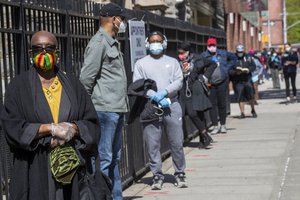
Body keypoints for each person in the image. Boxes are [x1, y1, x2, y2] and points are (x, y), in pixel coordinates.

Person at [1, 31, 100, 200]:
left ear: (57, 53)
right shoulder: (17, 87)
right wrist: (50, 129)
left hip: (70, 165)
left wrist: (73, 128)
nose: (44, 52)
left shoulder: (73, 84)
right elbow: (12, 127)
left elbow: (91, 122)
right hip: (34, 167)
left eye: (49, 48)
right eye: (38, 49)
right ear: (30, 53)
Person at [79, 3, 130, 200]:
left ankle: (116, 196)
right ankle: (100, 196)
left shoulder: (112, 41)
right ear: (113, 19)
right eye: (122, 19)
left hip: (116, 108)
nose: (122, 23)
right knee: (105, 159)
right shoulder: (99, 43)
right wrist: (87, 111)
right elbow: (86, 79)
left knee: (115, 158)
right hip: (104, 109)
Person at [133, 31, 187, 190]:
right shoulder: (141, 64)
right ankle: (157, 174)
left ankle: (179, 172)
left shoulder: (173, 62)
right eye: (152, 41)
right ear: (147, 44)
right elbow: (138, 85)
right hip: (150, 107)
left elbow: (179, 81)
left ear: (164, 43)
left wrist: (165, 92)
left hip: (172, 105)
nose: (155, 43)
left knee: (176, 142)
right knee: (153, 144)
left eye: (158, 41)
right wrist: (154, 96)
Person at [177, 42, 216, 148]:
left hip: (196, 89)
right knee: (191, 113)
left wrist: (204, 77)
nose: (180, 55)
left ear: (188, 52)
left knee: (199, 114)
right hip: (185, 90)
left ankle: (203, 140)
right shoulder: (177, 62)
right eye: (179, 53)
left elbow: (213, 64)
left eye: (182, 53)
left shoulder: (197, 59)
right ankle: (205, 134)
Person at [201, 37, 237, 134]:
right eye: (210, 45)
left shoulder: (223, 53)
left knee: (222, 104)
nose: (212, 47)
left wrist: (227, 68)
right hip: (211, 84)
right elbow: (199, 66)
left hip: (222, 82)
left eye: (213, 45)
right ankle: (215, 125)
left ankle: (223, 125)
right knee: (212, 105)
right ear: (207, 46)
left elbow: (234, 58)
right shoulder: (204, 56)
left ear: (216, 45)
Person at [229, 43, 257, 118]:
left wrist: (248, 70)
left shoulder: (248, 57)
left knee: (251, 96)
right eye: (238, 52)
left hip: (247, 79)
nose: (240, 53)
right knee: (240, 96)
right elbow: (229, 69)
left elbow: (253, 66)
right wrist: (235, 72)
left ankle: (253, 109)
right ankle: (242, 112)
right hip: (238, 81)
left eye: (241, 52)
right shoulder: (233, 58)